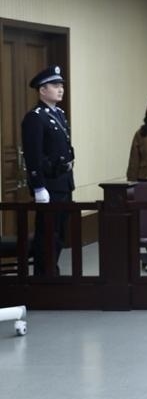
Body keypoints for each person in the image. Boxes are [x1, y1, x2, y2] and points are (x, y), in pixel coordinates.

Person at [21, 65, 75, 276]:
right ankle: (43, 277)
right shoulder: (35, 117)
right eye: (55, 85)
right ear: (42, 90)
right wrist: (38, 187)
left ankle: (52, 271)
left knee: (59, 233)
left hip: (63, 182)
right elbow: (33, 155)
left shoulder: (58, 114)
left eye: (61, 85)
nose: (60, 89)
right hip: (49, 184)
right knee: (47, 234)